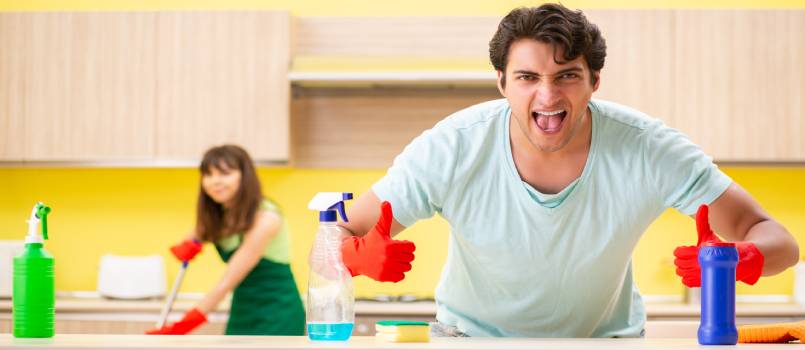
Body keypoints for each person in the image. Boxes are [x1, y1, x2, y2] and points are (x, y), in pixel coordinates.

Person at [335, 3, 799, 338]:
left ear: (594, 80)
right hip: (471, 341)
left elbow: (777, 239)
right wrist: (353, 256)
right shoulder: (452, 146)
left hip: (603, 343)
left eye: (567, 76)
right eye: (527, 77)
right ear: (501, 82)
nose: (548, 96)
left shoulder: (648, 148)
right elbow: (336, 235)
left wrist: (741, 259)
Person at [147, 145, 305, 335]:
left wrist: (185, 324)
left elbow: (228, 280)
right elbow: (194, 236)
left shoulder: (266, 218)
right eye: (209, 175)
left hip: (278, 311)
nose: (215, 182)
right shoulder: (220, 214)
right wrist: (188, 246)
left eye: (225, 173)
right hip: (243, 307)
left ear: (243, 176)